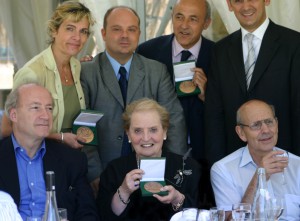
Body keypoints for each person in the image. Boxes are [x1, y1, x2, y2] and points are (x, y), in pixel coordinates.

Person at [0, 1, 100, 193]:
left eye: (83, 31)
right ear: (54, 31)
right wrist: (61, 137)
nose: (77, 37)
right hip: (39, 163)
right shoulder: (32, 73)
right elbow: (7, 128)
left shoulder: (77, 66)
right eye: (70, 29)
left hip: (72, 161)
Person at [80, 6, 187, 177]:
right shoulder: (86, 72)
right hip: (104, 174)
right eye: (117, 29)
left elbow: (174, 121)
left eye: (131, 29)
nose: (124, 35)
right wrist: (94, 174)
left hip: (152, 173)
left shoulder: (157, 71)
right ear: (104, 33)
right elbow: (84, 129)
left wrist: (175, 170)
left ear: (139, 34)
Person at [205, 0, 300, 165]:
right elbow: (214, 115)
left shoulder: (294, 44)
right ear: (229, 4)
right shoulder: (220, 51)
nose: (246, 6)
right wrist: (217, 165)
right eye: (238, 1)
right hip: (234, 163)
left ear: (267, 0)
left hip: (284, 160)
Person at [0, 83, 99, 221]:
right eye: (36, 108)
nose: (46, 116)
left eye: (49, 108)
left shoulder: (72, 160)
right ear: (14, 115)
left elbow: (87, 213)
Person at [97, 98, 200, 221]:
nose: (146, 138)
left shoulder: (188, 167)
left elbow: (206, 214)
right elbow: (104, 216)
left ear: (165, 131)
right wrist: (124, 191)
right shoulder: (114, 170)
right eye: (138, 131)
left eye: (153, 130)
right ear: (128, 134)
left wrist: (177, 199)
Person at [137, 0, 214, 162]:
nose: (184, 25)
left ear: (206, 23)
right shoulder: (147, 52)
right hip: (157, 152)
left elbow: (230, 109)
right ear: (171, 17)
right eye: (179, 17)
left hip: (205, 154)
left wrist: (208, 96)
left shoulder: (220, 55)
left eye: (193, 19)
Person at [210, 99, 300, 221]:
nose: (266, 130)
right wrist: (259, 176)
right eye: (256, 125)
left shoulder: (297, 164)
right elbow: (230, 220)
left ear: (277, 125)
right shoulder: (223, 169)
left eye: (269, 122)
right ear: (241, 132)